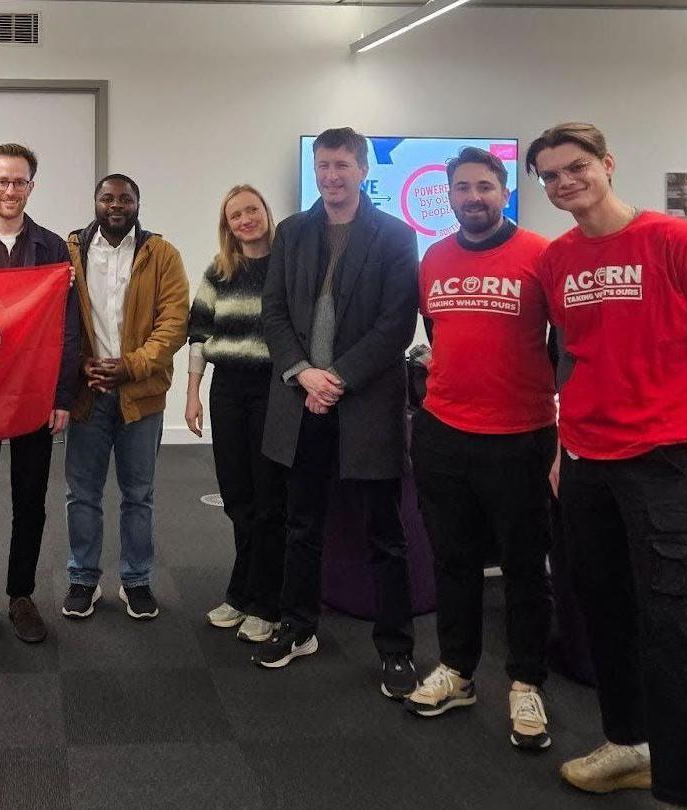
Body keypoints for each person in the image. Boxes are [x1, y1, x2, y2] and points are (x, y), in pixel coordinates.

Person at [529, 122, 687, 810]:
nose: (566, 182)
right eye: (551, 175)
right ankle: (627, 746)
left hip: (660, 460)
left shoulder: (679, 242)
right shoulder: (558, 259)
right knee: (602, 611)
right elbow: (567, 355)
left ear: (607, 165)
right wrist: (564, 447)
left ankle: (686, 789)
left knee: (665, 625)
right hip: (587, 460)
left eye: (577, 167)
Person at [402, 147, 557, 751]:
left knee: (523, 567)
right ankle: (458, 670)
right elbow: (439, 333)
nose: (474, 197)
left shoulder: (540, 255)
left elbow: (562, 346)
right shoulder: (434, 259)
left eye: (485, 186)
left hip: (520, 435)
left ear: (504, 191)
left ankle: (525, 683)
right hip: (442, 432)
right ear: (449, 194)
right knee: (453, 560)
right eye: (463, 188)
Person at [257, 127, 419, 697]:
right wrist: (304, 373)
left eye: (342, 165)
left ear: (363, 167)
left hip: (366, 405)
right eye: (323, 165)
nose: (331, 176)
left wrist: (340, 377)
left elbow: (397, 324)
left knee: (385, 534)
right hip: (301, 403)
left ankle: (396, 649)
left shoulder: (397, 235)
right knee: (300, 525)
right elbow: (273, 312)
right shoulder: (293, 232)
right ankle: (298, 627)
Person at [0, 143, 79, 645]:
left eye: (18, 181)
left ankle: (22, 594)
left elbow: (69, 328)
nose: (9, 189)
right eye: (0, 180)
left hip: (34, 393)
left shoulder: (53, 248)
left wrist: (62, 395)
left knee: (30, 499)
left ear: (31, 186)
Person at [62, 173, 189, 621]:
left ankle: (136, 580)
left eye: (125, 198)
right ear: (95, 201)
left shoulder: (162, 255)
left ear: (138, 203)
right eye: (107, 197)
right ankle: (83, 578)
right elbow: (59, 320)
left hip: (141, 395)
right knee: (82, 493)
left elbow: (174, 322)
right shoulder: (70, 252)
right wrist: (82, 365)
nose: (116, 205)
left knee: (139, 494)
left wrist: (131, 365)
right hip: (88, 393)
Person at [186, 184, 286, 644]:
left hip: (273, 390)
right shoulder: (220, 270)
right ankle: (243, 592)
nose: (245, 220)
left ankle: (265, 602)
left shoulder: (286, 266)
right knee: (237, 495)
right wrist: (193, 394)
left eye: (252, 210)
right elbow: (199, 335)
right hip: (228, 390)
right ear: (227, 226)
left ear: (265, 212)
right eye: (235, 216)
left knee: (269, 500)